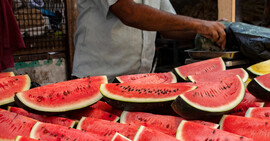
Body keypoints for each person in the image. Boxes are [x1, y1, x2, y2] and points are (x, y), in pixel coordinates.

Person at [72, 0, 226, 81]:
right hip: (97, 79)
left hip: (139, 82)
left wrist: (212, 29)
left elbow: (168, 27)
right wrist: (199, 25)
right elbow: (127, 11)